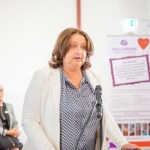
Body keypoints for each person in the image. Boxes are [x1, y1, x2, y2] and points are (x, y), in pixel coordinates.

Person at [22, 27, 142, 150]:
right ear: (61, 49)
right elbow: (29, 120)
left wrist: (122, 143)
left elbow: (103, 114)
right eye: (73, 46)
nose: (79, 51)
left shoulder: (93, 77)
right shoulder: (43, 76)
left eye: (84, 47)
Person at [0, 84, 23, 150]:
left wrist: (15, 131)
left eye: (1, 91)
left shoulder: (9, 106)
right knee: (11, 146)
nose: (0, 93)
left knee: (16, 147)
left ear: (3, 92)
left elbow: (15, 122)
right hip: (1, 135)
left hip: (10, 135)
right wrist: (7, 132)